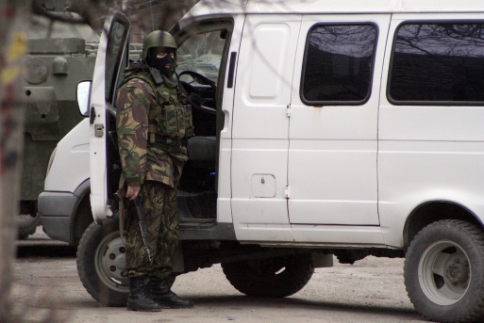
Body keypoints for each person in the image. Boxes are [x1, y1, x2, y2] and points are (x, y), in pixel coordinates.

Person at [116, 30, 194, 312]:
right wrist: (134, 178)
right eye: (162, 54)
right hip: (148, 168)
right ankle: (137, 292)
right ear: (149, 55)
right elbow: (131, 134)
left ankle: (161, 288)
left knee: (167, 232)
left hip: (168, 166)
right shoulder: (137, 86)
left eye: (172, 53)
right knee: (145, 231)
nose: (169, 59)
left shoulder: (169, 86)